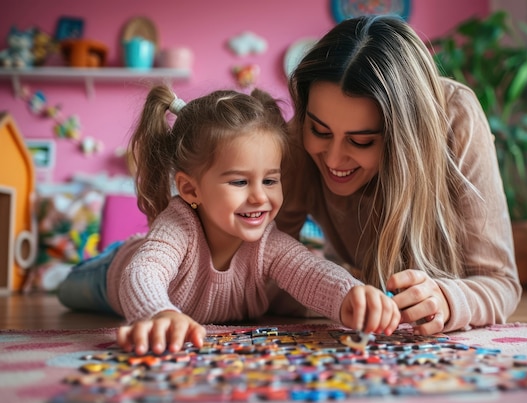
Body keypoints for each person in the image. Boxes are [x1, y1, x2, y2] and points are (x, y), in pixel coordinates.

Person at [57, 86, 400, 355]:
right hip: (112, 272)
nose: (259, 197)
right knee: (66, 290)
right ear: (191, 189)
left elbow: (310, 272)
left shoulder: (269, 241)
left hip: (173, 280)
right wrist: (158, 314)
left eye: (270, 180)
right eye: (239, 182)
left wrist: (352, 294)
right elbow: (142, 274)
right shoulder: (179, 225)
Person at [276, 15, 522, 335]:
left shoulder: (456, 117)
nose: (334, 158)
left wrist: (448, 299)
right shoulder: (298, 137)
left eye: (361, 141)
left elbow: (501, 283)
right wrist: (333, 291)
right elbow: (259, 264)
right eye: (320, 131)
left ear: (405, 138)